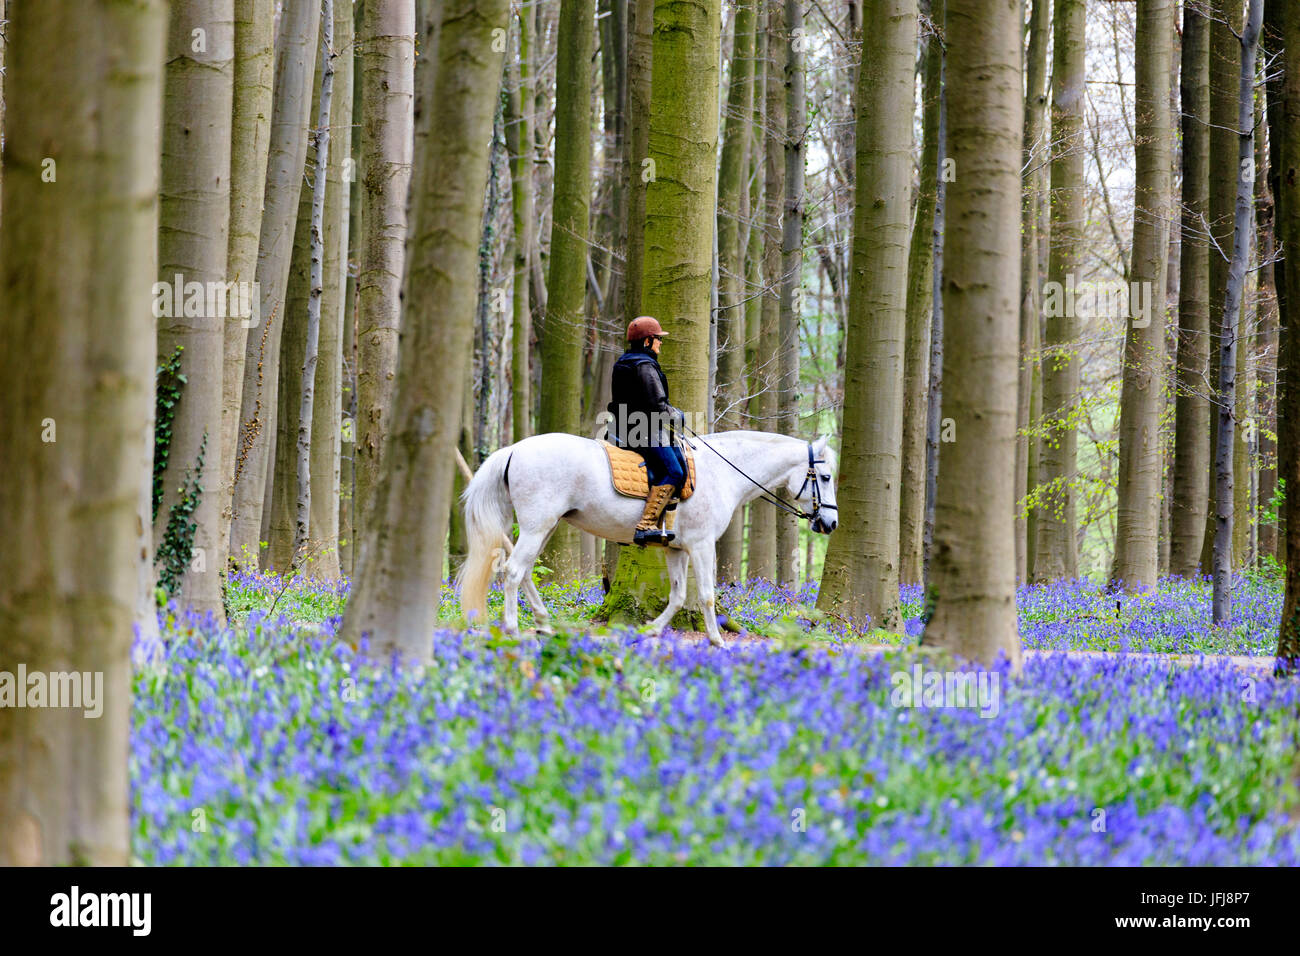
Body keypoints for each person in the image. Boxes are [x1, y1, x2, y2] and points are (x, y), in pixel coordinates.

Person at [606, 316, 688, 545]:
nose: (661, 343)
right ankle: (647, 524)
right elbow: (657, 405)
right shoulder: (644, 366)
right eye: (658, 339)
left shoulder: (623, 361)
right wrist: (679, 416)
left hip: (623, 428)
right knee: (675, 471)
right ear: (647, 341)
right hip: (643, 430)